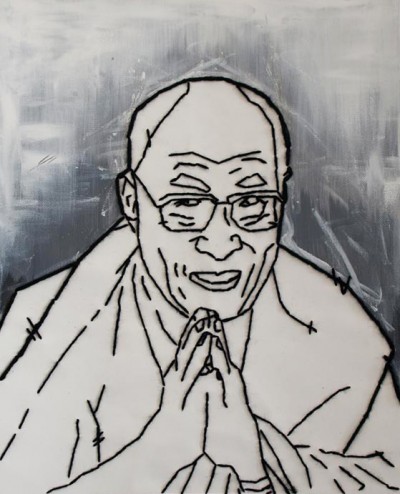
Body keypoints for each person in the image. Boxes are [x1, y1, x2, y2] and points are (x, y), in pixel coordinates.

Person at [0, 77, 399, 493]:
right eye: (187, 204)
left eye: (251, 203)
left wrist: (255, 466)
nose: (221, 242)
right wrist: (157, 452)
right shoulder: (41, 326)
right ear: (132, 201)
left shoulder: (341, 336)